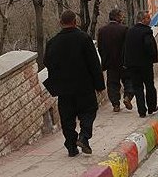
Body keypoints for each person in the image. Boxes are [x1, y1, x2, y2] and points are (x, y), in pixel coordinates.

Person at [44, 10, 105, 157]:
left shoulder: (52, 42)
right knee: (89, 111)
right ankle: (84, 136)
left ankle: (71, 146)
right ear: (75, 21)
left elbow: (47, 63)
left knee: (67, 118)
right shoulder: (84, 38)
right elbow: (94, 64)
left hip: (64, 90)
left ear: (60, 23)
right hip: (84, 87)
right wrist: (99, 85)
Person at [97, 8, 133, 113]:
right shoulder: (124, 29)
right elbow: (128, 46)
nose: (122, 18)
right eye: (121, 16)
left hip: (110, 63)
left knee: (112, 84)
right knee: (129, 81)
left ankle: (115, 104)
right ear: (117, 17)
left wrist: (105, 60)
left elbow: (100, 48)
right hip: (123, 62)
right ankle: (127, 97)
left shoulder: (102, 30)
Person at [124, 11, 158, 118]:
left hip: (132, 65)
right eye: (148, 18)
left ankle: (142, 111)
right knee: (149, 85)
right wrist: (152, 56)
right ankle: (152, 107)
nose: (150, 20)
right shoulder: (146, 31)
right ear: (143, 19)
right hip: (145, 64)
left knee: (138, 87)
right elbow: (148, 45)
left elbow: (126, 48)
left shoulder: (130, 31)